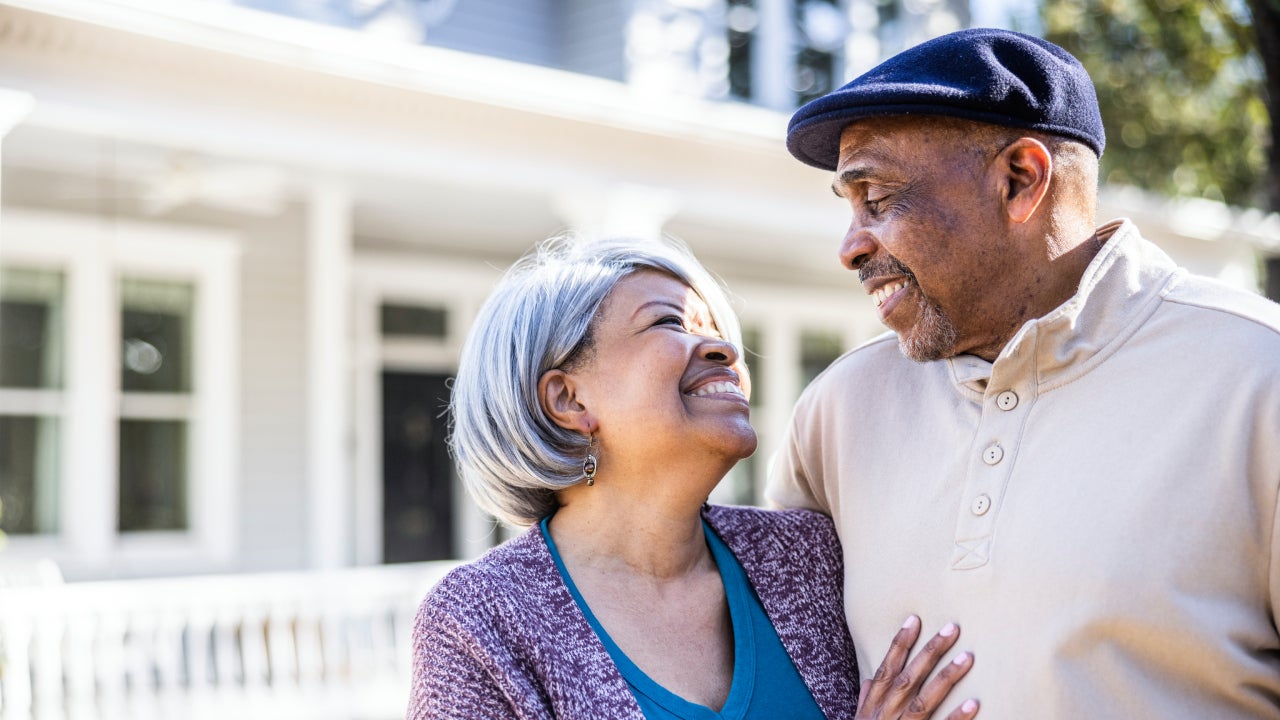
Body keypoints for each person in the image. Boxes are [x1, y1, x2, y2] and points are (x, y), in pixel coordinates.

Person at [769, 26, 1280, 720]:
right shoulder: (836, 411)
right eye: (848, 206)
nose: (851, 247)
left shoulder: (1258, 374)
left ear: (1020, 180)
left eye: (878, 198)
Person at [408, 235, 981, 719]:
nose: (725, 349)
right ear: (567, 397)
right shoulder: (478, 622)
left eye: (716, 328)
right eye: (669, 322)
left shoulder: (806, 556)